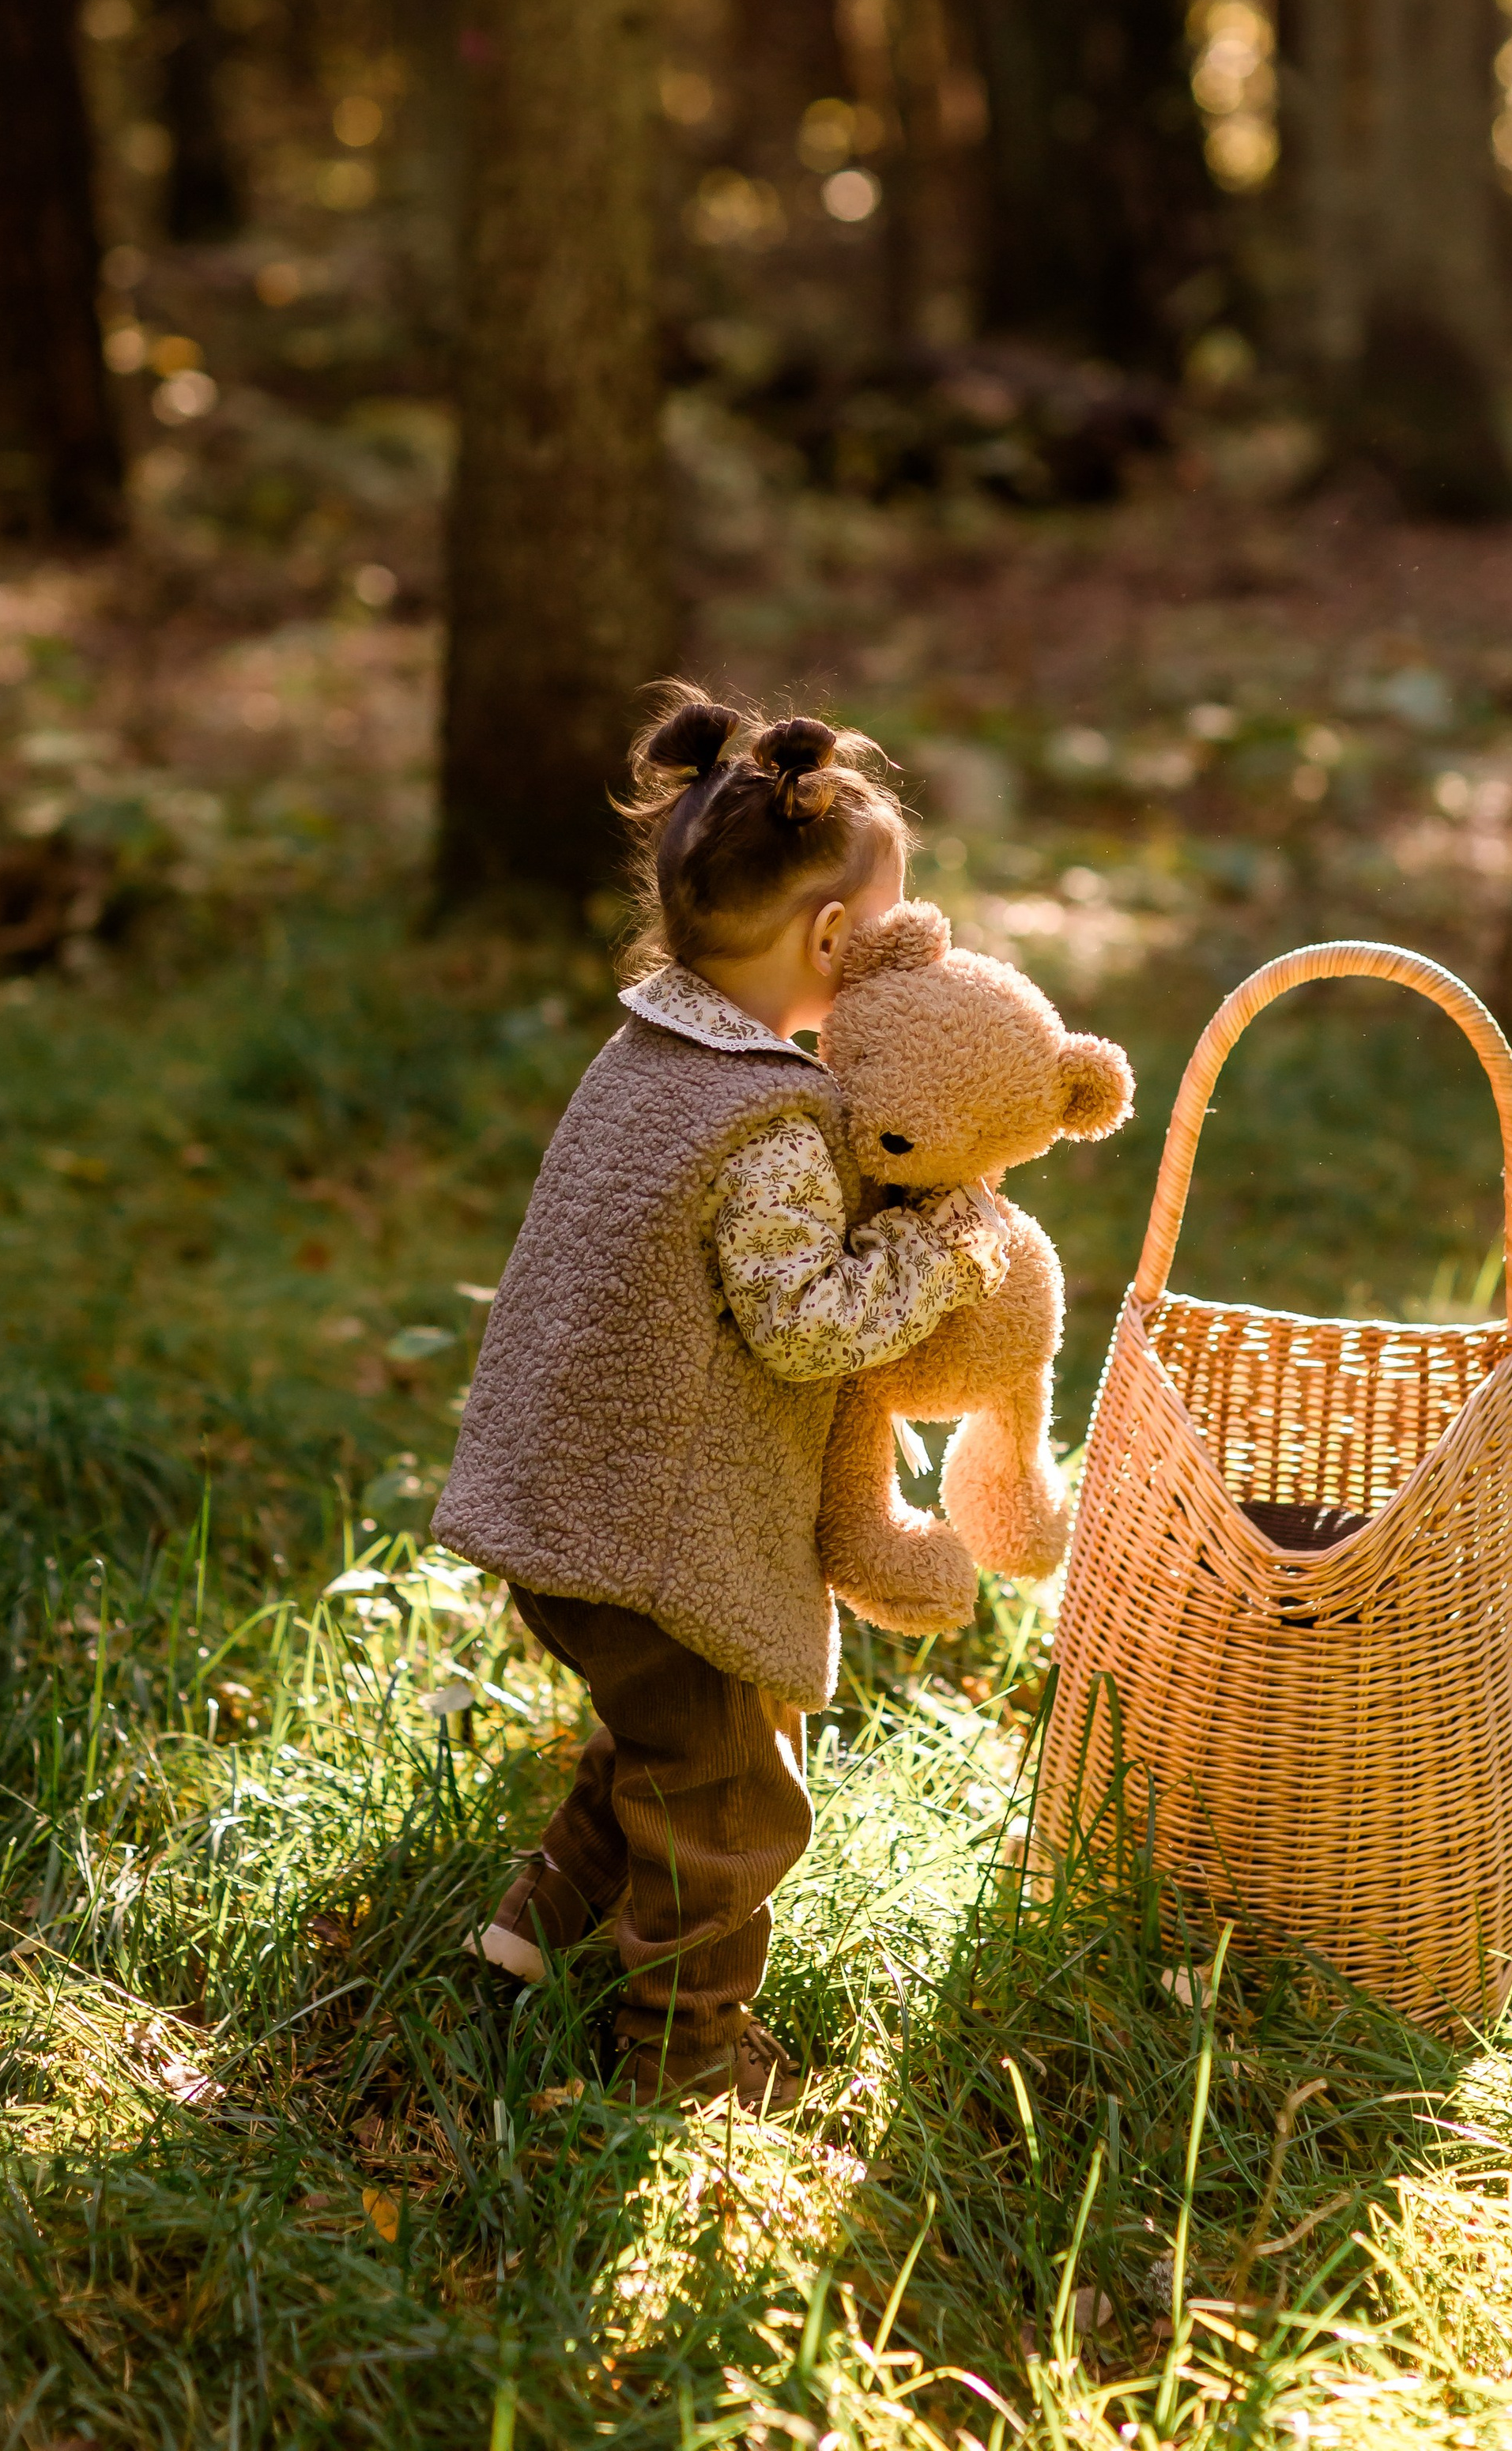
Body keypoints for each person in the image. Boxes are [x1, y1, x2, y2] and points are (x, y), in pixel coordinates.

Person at [432, 686, 1007, 2112]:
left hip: (557, 1508)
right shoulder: (774, 1121)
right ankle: (682, 2063)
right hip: (645, 1539)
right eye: (890, 926)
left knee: (668, 1736)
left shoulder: (646, 1054)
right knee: (732, 1796)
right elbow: (807, 1328)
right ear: (830, 943)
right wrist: (935, 1247)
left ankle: (530, 1933)